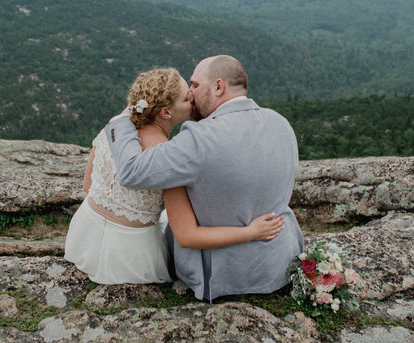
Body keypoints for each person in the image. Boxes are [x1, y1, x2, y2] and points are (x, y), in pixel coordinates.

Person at [106, 55, 305, 301]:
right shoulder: (281, 123)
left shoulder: (198, 139)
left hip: (225, 275)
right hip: (280, 264)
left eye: (195, 85)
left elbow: (131, 171)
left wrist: (122, 121)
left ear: (219, 87)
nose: (190, 93)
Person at [64, 67, 285, 285]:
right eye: (186, 98)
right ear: (165, 113)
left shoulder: (115, 128)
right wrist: (250, 232)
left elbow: (88, 186)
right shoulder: (168, 158)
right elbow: (188, 235)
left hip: (85, 233)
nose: (193, 97)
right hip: (129, 255)